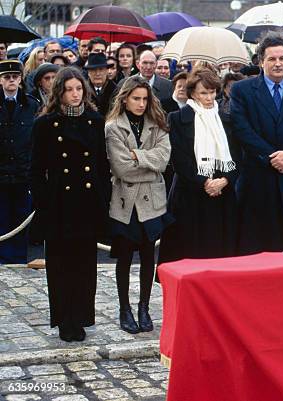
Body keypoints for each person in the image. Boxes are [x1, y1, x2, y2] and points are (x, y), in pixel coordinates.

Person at [30, 66, 110, 342]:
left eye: (79, 89)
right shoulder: (45, 124)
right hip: (58, 204)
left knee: (85, 264)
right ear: (59, 93)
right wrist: (43, 203)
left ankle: (82, 316)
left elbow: (101, 164)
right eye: (69, 90)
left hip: (87, 203)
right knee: (60, 265)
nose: (75, 94)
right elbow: (36, 170)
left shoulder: (95, 121)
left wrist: (103, 199)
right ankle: (65, 319)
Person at [231, 31, 283, 253]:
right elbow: (242, 129)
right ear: (261, 62)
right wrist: (272, 156)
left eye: (282, 58)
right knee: (258, 243)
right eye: (272, 59)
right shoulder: (243, 90)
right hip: (258, 178)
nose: (278, 64)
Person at [105, 76, 171, 334]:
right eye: (136, 98)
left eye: (145, 98)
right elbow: (122, 168)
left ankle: (144, 307)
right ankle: (125, 308)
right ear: (125, 98)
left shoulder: (158, 124)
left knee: (147, 255)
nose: (141, 104)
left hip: (152, 201)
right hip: (124, 201)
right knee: (124, 257)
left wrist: (137, 156)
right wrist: (148, 162)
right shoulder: (113, 127)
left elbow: (163, 160)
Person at [159, 67, 239, 261]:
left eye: (212, 92)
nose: (209, 97)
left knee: (220, 253)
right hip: (189, 194)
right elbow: (179, 158)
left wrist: (224, 181)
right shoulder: (177, 118)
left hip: (222, 195)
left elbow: (237, 155)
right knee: (188, 252)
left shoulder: (226, 119)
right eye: (204, 92)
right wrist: (205, 182)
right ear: (192, 92)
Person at [0, 60, 39, 264]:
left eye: (15, 77)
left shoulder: (31, 104)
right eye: (7, 77)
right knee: (3, 220)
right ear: (1, 80)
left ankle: (18, 259)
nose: (11, 81)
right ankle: (4, 261)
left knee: (21, 220)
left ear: (21, 79)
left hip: (23, 174)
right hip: (2, 174)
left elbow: (36, 140)